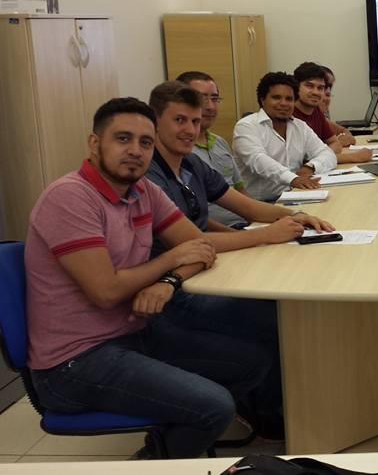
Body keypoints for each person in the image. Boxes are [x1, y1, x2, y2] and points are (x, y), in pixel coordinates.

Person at [25, 97, 271, 458]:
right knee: (214, 405)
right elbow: (106, 291)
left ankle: (172, 438)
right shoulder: (69, 198)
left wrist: (167, 281)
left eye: (145, 142)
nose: (135, 151)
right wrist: (171, 259)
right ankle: (154, 460)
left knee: (253, 361)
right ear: (95, 143)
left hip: (135, 333)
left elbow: (199, 247)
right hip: (74, 362)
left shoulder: (143, 191)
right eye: (123, 139)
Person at [145, 80, 334, 438]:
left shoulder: (191, 163)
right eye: (179, 120)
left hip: (208, 270)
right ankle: (267, 412)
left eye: (195, 121)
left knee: (279, 297)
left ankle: (283, 397)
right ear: (155, 123)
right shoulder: (150, 175)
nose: (190, 130)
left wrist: (291, 216)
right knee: (274, 315)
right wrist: (267, 234)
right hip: (176, 290)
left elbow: (245, 206)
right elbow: (191, 241)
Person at [233, 71, 337, 201]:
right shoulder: (246, 126)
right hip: (259, 203)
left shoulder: (300, 126)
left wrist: (310, 167)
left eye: (289, 99)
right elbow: (258, 160)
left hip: (295, 195)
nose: (284, 103)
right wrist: (293, 179)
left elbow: (328, 154)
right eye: (276, 97)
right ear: (262, 99)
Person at [176, 70, 249, 229]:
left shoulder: (220, 142)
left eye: (214, 99)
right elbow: (194, 219)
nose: (210, 106)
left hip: (244, 225)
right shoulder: (179, 152)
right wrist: (245, 236)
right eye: (201, 98)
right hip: (219, 234)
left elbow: (241, 191)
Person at [292, 62, 372, 164]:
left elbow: (335, 144)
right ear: (296, 87)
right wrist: (354, 157)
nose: (315, 92)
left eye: (320, 88)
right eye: (309, 86)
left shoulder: (315, 110)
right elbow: (304, 161)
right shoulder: (289, 114)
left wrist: (322, 156)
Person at [317, 65, 357, 146]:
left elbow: (344, 131)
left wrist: (341, 138)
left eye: (330, 86)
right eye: (325, 86)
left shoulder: (320, 115)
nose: (328, 90)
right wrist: (338, 142)